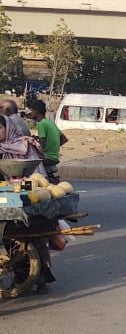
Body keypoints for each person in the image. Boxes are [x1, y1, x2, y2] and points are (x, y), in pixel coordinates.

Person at [0, 115, 54, 293]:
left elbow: (36, 175)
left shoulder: (24, 144)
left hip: (29, 193)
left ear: (7, 128)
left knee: (35, 239)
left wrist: (23, 185)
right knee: (11, 243)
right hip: (7, 197)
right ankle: (21, 278)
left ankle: (41, 280)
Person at [26, 99, 67, 183]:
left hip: (47, 157)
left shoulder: (41, 124)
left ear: (36, 111)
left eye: (32, 111)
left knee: (27, 166)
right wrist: (53, 146)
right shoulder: (50, 123)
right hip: (55, 156)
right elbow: (64, 139)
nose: (31, 113)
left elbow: (41, 145)